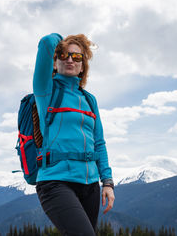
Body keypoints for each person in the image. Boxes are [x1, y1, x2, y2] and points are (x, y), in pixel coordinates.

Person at [33, 33, 115, 236]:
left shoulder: (89, 99)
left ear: (83, 65)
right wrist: (64, 41)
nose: (70, 59)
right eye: (64, 55)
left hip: (90, 186)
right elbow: (45, 43)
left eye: (77, 57)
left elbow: (99, 143)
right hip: (55, 181)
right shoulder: (46, 91)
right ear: (54, 63)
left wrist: (107, 182)